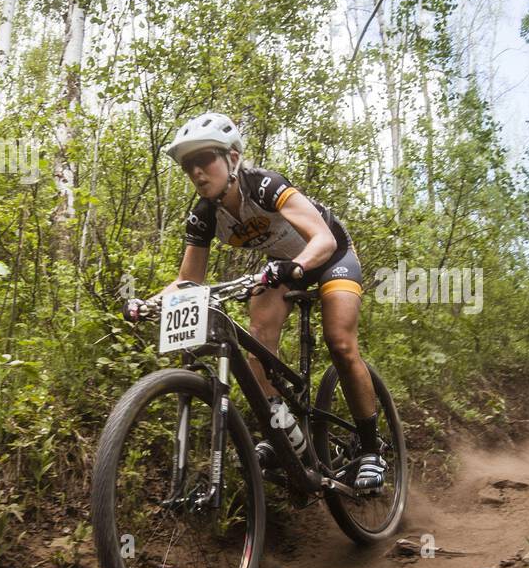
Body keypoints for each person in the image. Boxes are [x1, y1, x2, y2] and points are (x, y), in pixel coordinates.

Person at [151, 112, 385, 491]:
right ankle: (282, 429)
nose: (196, 172)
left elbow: (323, 240)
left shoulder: (264, 186)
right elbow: (187, 282)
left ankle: (372, 448)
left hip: (331, 255)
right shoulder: (204, 216)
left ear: (232, 158)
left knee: (340, 343)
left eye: (204, 160)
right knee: (257, 338)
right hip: (283, 266)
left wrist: (296, 265)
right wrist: (147, 304)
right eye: (188, 165)